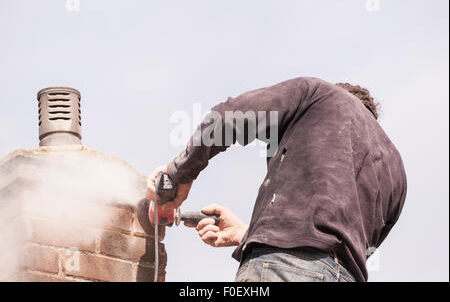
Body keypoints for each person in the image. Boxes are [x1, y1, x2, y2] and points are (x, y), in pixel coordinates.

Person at [146, 77, 407, 282]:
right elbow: (338, 247)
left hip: (282, 268)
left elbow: (228, 117)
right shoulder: (396, 169)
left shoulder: (319, 95)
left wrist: (177, 174)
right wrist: (246, 234)